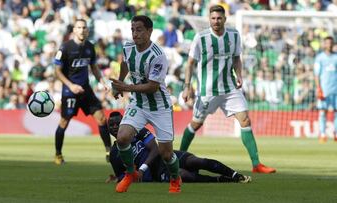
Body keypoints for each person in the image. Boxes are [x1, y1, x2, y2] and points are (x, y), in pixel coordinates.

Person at [179, 5, 276, 174]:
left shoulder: (234, 35)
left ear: (225, 19)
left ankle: (256, 164)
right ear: (209, 19)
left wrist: (239, 74)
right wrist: (187, 86)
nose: (216, 21)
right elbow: (190, 64)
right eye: (213, 18)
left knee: (245, 120)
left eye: (219, 18)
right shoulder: (200, 38)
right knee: (195, 124)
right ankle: (179, 158)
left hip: (230, 88)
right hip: (207, 90)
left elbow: (236, 57)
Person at [110, 15, 181, 193]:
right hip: (138, 104)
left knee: (166, 154)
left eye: (139, 29)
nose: (135, 33)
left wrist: (125, 86)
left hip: (160, 107)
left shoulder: (158, 56)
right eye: (133, 29)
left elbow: (152, 86)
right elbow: (125, 63)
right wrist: (119, 83)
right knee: (122, 138)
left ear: (149, 31)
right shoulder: (128, 47)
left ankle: (175, 178)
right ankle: (131, 173)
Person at [106, 111, 252, 184]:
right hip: (157, 172)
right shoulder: (114, 154)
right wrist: (123, 177)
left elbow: (156, 149)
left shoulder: (137, 130)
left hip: (166, 155)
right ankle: (219, 180)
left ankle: (235, 175)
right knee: (184, 175)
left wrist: (142, 168)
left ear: (124, 122)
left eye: (117, 124)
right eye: (110, 125)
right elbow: (122, 175)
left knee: (197, 161)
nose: (114, 127)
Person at [53, 19, 111, 165]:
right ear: (74, 30)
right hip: (70, 91)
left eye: (84, 27)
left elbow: (94, 67)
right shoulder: (65, 48)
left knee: (102, 119)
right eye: (79, 27)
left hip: (86, 90)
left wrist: (102, 81)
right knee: (64, 121)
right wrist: (71, 86)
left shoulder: (90, 47)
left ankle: (109, 152)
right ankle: (58, 155)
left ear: (87, 30)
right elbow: (57, 72)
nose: (82, 30)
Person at [314, 36, 337, 143]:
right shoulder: (320, 58)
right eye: (327, 43)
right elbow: (316, 75)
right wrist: (318, 88)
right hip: (324, 89)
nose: (329, 45)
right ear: (324, 44)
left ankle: (335, 133)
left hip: (335, 89)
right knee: (323, 112)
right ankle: (323, 134)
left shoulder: (336, 57)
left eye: (331, 43)